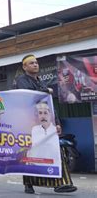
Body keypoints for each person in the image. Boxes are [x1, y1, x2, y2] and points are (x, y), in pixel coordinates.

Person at [13, 54, 77, 194]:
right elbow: (29, 95)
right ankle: (29, 183)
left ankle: (62, 182)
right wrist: (46, 91)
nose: (35, 65)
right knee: (31, 153)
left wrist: (57, 123)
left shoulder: (40, 81)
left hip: (47, 123)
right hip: (30, 123)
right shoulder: (21, 80)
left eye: (36, 63)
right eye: (31, 63)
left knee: (55, 150)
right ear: (25, 67)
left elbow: (50, 105)